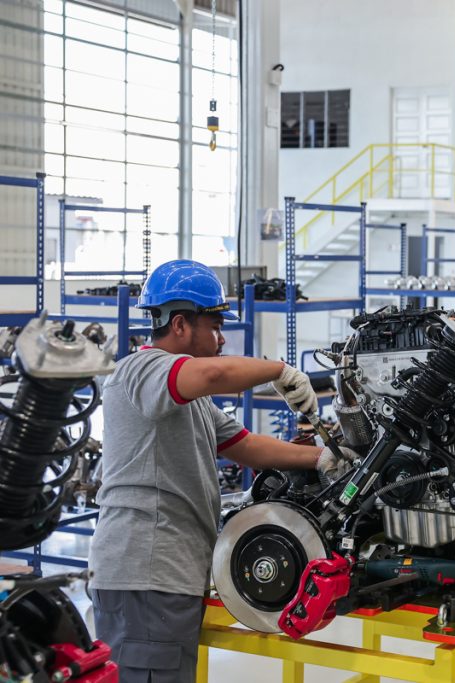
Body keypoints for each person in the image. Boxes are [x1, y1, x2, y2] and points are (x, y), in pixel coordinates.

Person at [89, 260, 340, 683]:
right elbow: (217, 373)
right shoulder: (140, 370)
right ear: (181, 323)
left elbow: (249, 447)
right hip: (143, 572)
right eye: (216, 326)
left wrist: (327, 458)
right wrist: (280, 370)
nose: (222, 339)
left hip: (169, 574)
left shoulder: (192, 401)